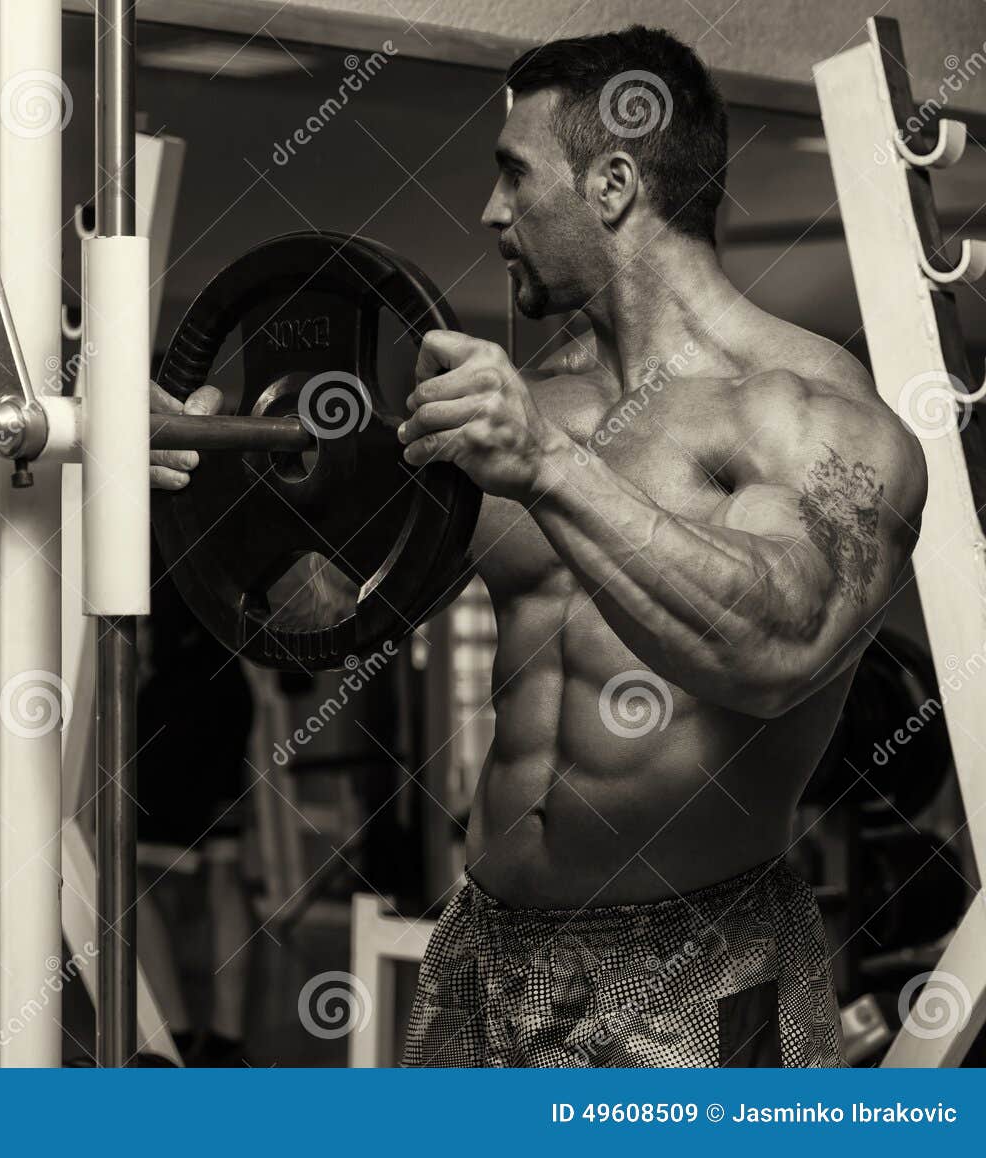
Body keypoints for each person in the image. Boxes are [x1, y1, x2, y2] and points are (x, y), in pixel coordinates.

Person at [153, 25, 925, 1067]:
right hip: (487, 943)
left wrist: (552, 472)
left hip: (691, 962)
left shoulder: (802, 412)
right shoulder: (526, 406)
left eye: (514, 175)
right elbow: (329, 615)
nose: (489, 212)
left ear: (611, 184)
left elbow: (777, 651)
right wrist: (209, 490)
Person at [135, 537, 255, 1066]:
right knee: (224, 873)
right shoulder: (225, 495)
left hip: (175, 702)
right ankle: (225, 1041)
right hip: (229, 690)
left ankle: (175, 1035)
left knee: (133, 874)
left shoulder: (142, 509)